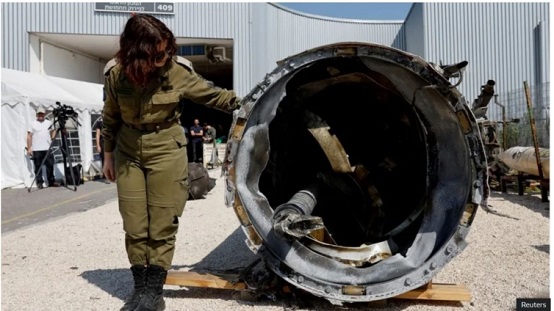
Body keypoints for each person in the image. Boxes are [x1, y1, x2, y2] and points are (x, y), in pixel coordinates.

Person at [101, 14, 241, 311]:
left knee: (163, 223)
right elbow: (110, 116)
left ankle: (154, 293)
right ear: (138, 54)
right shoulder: (116, 75)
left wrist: (250, 101)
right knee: (135, 224)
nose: (166, 57)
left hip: (166, 147)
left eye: (168, 50)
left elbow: (215, 96)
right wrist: (108, 155)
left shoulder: (177, 72)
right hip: (128, 152)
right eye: (159, 53)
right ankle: (139, 290)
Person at [27, 106, 60, 189]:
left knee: (50, 165)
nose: (40, 115)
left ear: (44, 114)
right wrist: (29, 148)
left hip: (47, 148)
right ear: (37, 114)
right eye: (39, 114)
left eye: (42, 113)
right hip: (37, 149)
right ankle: (39, 182)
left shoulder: (48, 123)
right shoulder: (32, 123)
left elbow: (54, 130)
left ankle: (51, 181)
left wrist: (52, 138)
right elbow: (29, 136)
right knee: (38, 166)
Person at [93, 114, 110, 183]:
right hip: (103, 141)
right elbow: (97, 135)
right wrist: (98, 145)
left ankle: (112, 175)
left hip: (110, 140)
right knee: (104, 159)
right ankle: (106, 176)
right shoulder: (99, 122)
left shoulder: (110, 122)